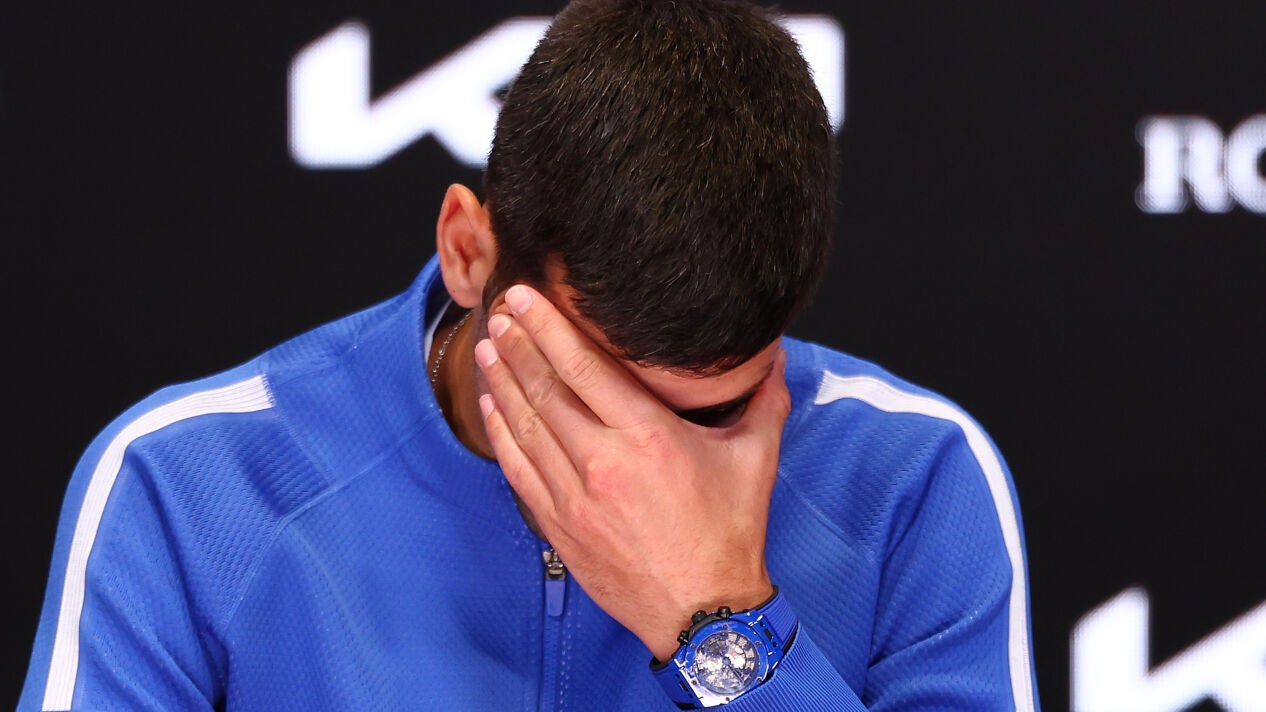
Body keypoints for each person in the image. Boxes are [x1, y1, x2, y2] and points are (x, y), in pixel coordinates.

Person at [20, 0, 1040, 709]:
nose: (638, 463)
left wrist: (716, 624)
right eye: (589, 393)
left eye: (714, 414)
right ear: (469, 251)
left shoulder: (914, 482)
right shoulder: (187, 490)